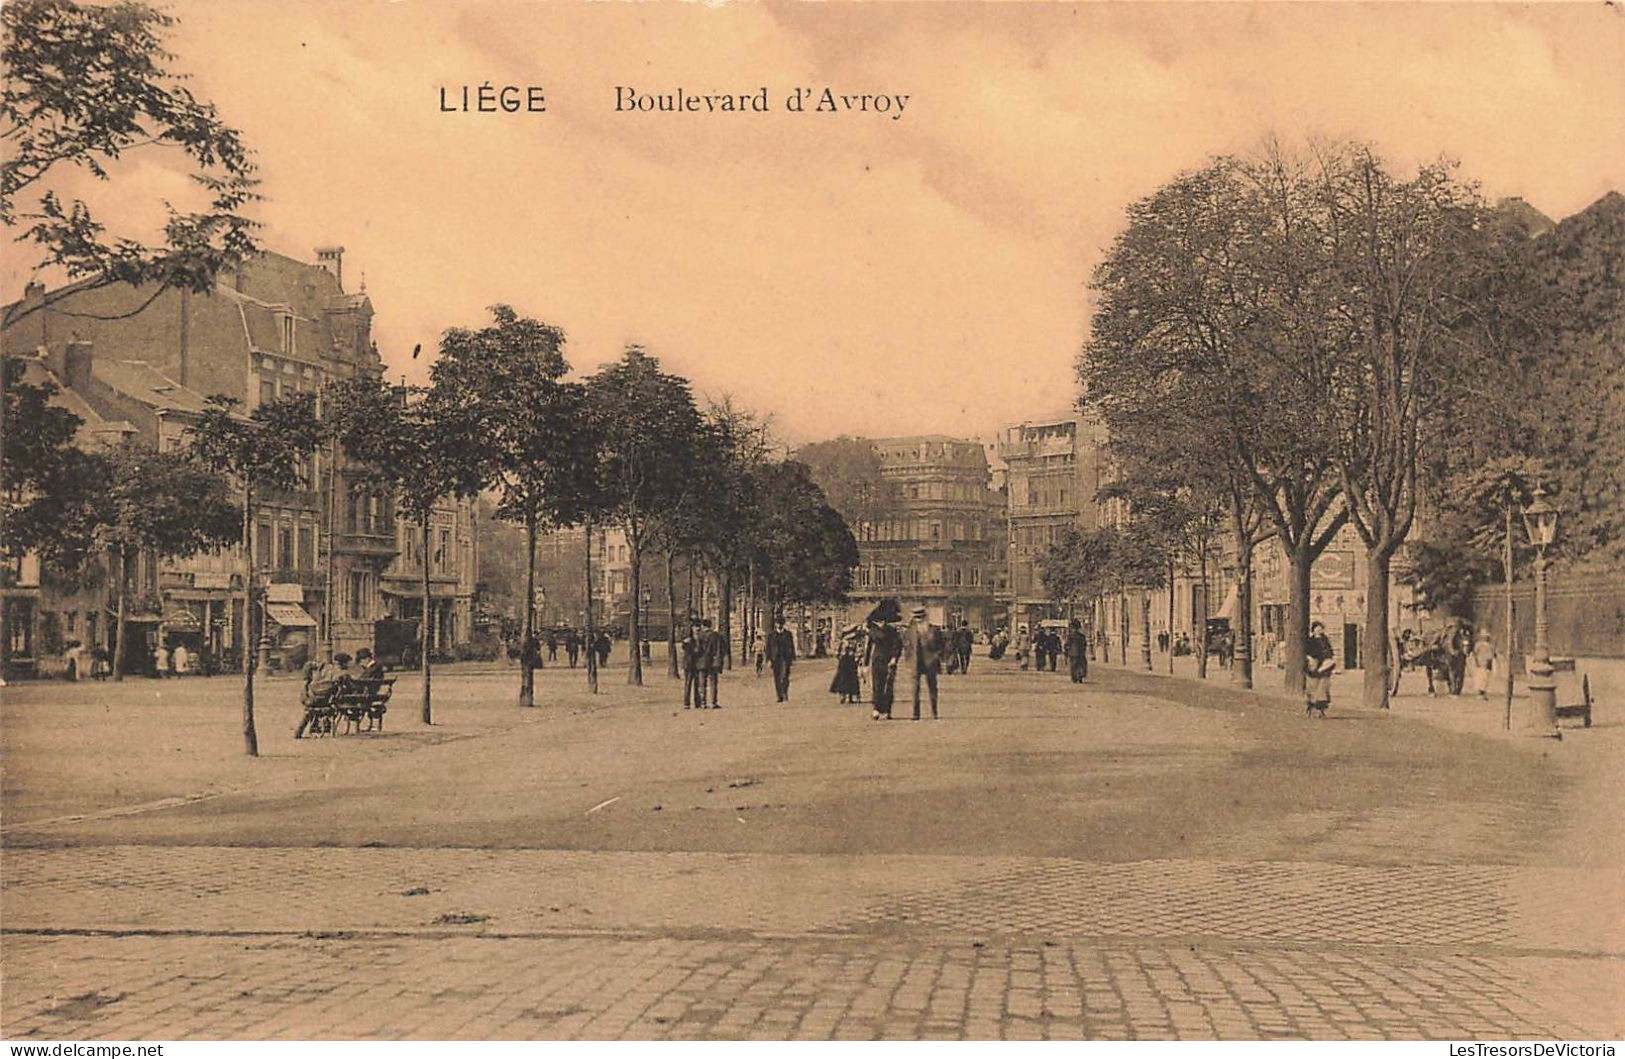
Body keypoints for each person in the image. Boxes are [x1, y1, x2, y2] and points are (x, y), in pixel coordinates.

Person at [900, 605, 946, 721]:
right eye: (917, 618)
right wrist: (908, 659)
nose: (919, 620)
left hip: (930, 662)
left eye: (921, 617)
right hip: (915, 662)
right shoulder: (909, 631)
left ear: (925, 617)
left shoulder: (934, 630)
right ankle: (915, 714)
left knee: (933, 688)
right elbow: (906, 646)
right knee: (915, 689)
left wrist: (937, 656)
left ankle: (934, 712)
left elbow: (942, 646)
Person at [863, 599, 903, 720]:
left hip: (890, 661)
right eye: (878, 621)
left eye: (882, 621)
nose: (880, 623)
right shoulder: (873, 632)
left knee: (888, 685)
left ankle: (887, 709)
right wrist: (865, 664)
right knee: (877, 685)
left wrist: (894, 659)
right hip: (877, 660)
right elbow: (868, 648)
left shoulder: (892, 631)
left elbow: (897, 646)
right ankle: (876, 708)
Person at [296, 652, 352, 738]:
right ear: (344, 663)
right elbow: (348, 687)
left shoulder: (326, 670)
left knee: (310, 710)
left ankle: (303, 730)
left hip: (313, 696)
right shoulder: (343, 674)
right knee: (317, 707)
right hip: (327, 699)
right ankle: (321, 725)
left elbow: (309, 666)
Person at [1305, 621, 1335, 717]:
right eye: (1317, 628)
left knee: (1323, 687)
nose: (1319, 630)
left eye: (1320, 628)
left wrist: (1329, 660)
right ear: (1313, 630)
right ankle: (1311, 708)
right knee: (1313, 686)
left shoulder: (1325, 640)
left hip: (1324, 665)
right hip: (1314, 664)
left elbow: (1330, 651)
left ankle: (1321, 710)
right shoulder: (1310, 640)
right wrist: (1311, 660)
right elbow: (1308, 652)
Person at [766, 615, 796, 702]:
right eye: (778, 623)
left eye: (781, 624)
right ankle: (779, 696)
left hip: (785, 658)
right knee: (777, 678)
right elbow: (768, 648)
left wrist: (792, 658)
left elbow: (791, 646)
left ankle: (785, 692)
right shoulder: (771, 635)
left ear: (783, 624)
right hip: (775, 659)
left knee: (785, 676)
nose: (779, 625)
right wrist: (768, 660)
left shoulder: (788, 634)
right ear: (775, 624)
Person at [694, 617, 723, 708]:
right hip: (713, 662)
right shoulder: (716, 635)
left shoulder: (699, 635)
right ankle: (713, 702)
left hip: (702, 662)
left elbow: (697, 649)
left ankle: (703, 703)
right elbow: (720, 649)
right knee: (713, 683)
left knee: (702, 683)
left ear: (703, 625)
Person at [830, 632, 862, 703]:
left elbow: (859, 652)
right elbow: (837, 652)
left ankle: (851, 696)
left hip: (850, 661)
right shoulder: (843, 643)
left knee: (852, 678)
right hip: (844, 662)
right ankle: (843, 695)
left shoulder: (854, 643)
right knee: (843, 678)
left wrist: (857, 658)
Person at [681, 616, 702, 709]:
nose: (697, 629)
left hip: (697, 664)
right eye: (695, 627)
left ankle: (697, 702)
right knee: (688, 683)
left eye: (698, 627)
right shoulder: (688, 640)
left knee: (697, 684)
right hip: (689, 664)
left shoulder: (700, 639)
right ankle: (687, 703)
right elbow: (686, 649)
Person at [1471, 631, 1497, 698]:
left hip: (1486, 664)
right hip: (1482, 664)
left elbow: (1493, 655)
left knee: (1484, 678)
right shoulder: (1479, 645)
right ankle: (1480, 692)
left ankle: (1482, 692)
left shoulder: (1490, 646)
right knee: (1482, 678)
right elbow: (1475, 654)